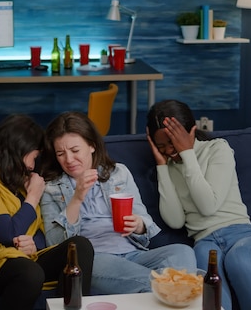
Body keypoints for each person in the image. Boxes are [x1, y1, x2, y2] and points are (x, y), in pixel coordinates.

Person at [40, 111, 196, 294]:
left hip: (134, 254)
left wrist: (138, 225)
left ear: (91, 145)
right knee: (178, 281)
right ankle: (175, 288)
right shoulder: (50, 187)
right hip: (96, 259)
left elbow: (145, 222)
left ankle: (168, 288)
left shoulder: (118, 173)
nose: (68, 160)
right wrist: (77, 197)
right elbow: (55, 243)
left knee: (182, 252)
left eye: (75, 151)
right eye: (60, 153)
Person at [0, 114, 94, 310]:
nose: (32, 166)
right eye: (34, 157)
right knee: (29, 272)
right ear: (20, 150)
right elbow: (8, 233)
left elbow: (38, 235)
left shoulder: (17, 181)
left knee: (79, 247)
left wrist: (32, 245)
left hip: (24, 258)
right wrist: (33, 196)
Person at [145, 99, 251, 310]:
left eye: (173, 142)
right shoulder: (169, 166)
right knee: (203, 263)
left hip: (242, 234)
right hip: (203, 240)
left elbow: (208, 206)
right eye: (161, 146)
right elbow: (175, 221)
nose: (169, 151)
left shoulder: (218, 149)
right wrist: (162, 168)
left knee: (239, 260)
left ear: (190, 131)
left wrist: (187, 155)